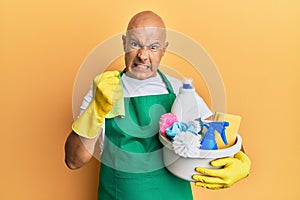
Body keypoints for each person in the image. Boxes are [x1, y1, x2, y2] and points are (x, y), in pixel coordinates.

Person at [65, 10, 251, 199]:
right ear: (124, 43)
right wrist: (96, 109)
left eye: (153, 47)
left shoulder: (182, 91)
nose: (143, 56)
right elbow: (74, 161)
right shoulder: (103, 91)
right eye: (135, 44)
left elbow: (221, 138)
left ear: (164, 49)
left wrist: (242, 161)